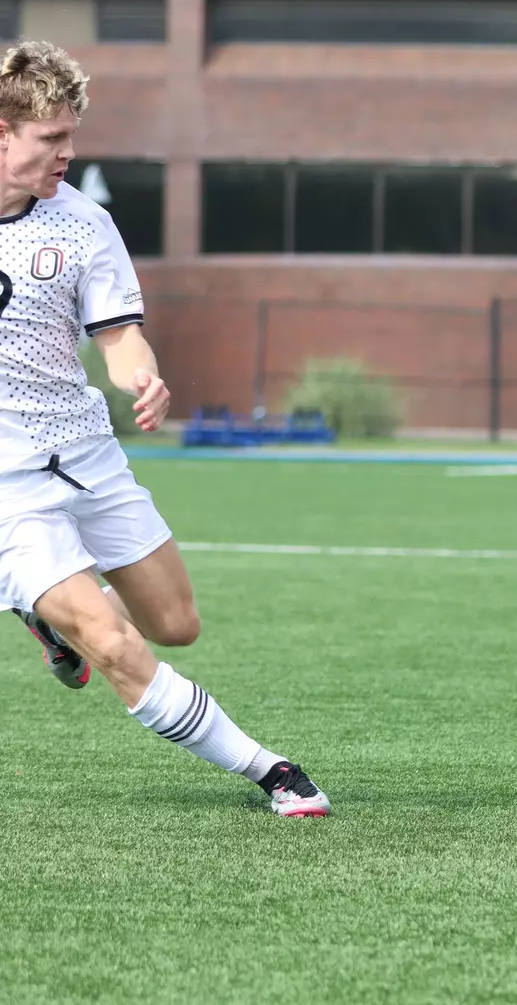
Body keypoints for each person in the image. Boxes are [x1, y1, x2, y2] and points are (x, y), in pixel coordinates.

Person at [0, 41, 329, 817]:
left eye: (72, 135)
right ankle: (273, 772)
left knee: (175, 624)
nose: (69, 153)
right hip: (7, 488)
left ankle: (47, 621)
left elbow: (120, 339)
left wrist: (142, 377)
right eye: (52, 137)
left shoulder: (84, 223)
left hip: (84, 452)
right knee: (112, 643)